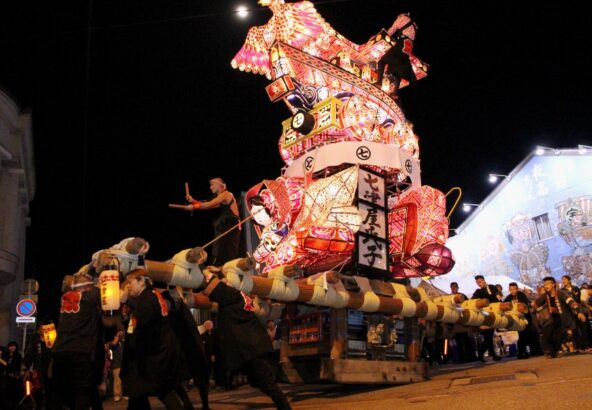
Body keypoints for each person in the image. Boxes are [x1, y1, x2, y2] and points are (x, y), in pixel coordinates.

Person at [202, 268, 291, 410]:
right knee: (257, 380)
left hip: (252, 347)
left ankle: (285, 407)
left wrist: (205, 271)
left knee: (266, 381)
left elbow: (213, 287)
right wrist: (220, 272)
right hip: (250, 346)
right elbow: (219, 286)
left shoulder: (230, 295)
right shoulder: (238, 295)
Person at [120, 269, 184, 410]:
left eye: (130, 282)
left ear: (142, 281)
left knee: (157, 390)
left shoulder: (147, 298)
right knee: (142, 393)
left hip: (152, 355)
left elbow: (143, 322)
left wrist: (127, 301)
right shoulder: (152, 295)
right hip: (154, 354)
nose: (128, 286)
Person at [49, 272, 104, 410]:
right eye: (90, 286)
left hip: (60, 351)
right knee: (82, 391)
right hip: (79, 351)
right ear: (86, 288)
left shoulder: (65, 297)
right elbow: (103, 289)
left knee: (58, 392)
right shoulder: (90, 297)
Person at [161, 287, 210, 410]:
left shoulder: (175, 305)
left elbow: (176, 302)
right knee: (177, 379)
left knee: (193, 378)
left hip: (187, 345)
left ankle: (198, 405)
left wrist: (173, 289)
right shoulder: (173, 305)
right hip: (185, 345)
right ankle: (194, 404)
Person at [185, 178, 241, 265]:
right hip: (228, 224)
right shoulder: (221, 197)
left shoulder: (226, 194)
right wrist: (192, 201)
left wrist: (193, 207)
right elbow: (208, 204)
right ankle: (220, 265)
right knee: (221, 248)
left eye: (212, 185)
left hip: (231, 224)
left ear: (219, 185)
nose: (210, 187)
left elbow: (208, 205)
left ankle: (224, 266)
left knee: (227, 249)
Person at [532, 276, 587, 358]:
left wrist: (579, 312)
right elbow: (535, 304)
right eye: (544, 284)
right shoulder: (545, 296)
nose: (545, 286)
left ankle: (555, 349)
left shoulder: (561, 293)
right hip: (553, 320)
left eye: (547, 284)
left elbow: (571, 302)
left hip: (564, 321)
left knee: (558, 336)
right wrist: (533, 306)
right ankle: (550, 352)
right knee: (546, 333)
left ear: (553, 284)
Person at [472, 275, 502, 362]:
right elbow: (473, 300)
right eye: (477, 282)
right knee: (488, 336)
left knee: (489, 336)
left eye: (480, 281)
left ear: (484, 280)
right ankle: (489, 355)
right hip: (485, 315)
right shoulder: (478, 291)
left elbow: (498, 298)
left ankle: (484, 355)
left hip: (494, 313)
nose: (479, 284)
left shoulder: (492, 287)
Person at [504, 283, 536, 359]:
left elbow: (524, 306)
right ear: (509, 290)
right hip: (516, 321)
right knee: (522, 336)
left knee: (528, 335)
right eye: (511, 289)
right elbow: (504, 305)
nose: (513, 291)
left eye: (514, 289)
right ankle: (522, 352)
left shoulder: (522, 295)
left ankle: (529, 351)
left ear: (517, 289)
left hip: (525, 319)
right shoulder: (508, 298)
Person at [450, 282, 476, 363]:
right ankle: (461, 358)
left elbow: (468, 305)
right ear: (451, 288)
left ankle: (471, 356)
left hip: (464, 320)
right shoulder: (449, 297)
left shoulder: (462, 296)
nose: (454, 288)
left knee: (467, 340)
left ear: (458, 287)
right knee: (459, 341)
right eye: (452, 287)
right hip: (456, 322)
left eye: (455, 287)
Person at [5, 341, 23, 409]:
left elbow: (18, 366)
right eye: (10, 346)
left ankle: (15, 405)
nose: (12, 348)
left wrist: (15, 373)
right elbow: (6, 365)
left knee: (14, 391)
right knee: (8, 391)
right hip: (8, 376)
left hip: (15, 376)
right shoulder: (7, 355)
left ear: (16, 347)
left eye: (13, 346)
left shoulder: (18, 356)